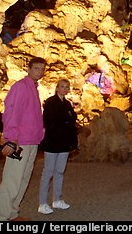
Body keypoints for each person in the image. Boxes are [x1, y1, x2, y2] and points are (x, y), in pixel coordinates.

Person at [0, 57, 47, 221]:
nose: (39, 72)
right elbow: (11, 114)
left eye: (42, 69)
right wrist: (11, 139)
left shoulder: (34, 89)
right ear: (28, 69)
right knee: (12, 181)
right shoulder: (20, 87)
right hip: (20, 142)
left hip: (32, 141)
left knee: (23, 180)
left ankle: (12, 213)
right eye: (36, 68)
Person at [38, 79, 79, 214]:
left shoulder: (67, 104)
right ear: (57, 88)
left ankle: (57, 199)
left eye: (67, 87)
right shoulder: (50, 103)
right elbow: (50, 122)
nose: (64, 89)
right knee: (48, 172)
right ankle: (42, 202)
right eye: (62, 87)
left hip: (64, 143)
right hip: (52, 142)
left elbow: (71, 122)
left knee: (60, 172)